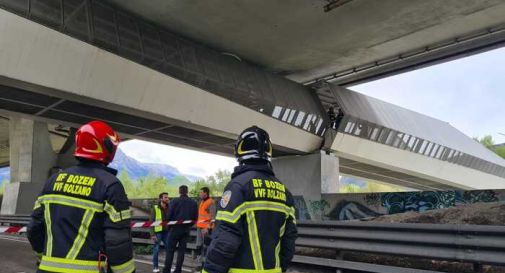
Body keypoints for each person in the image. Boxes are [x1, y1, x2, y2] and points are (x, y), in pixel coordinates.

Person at [27, 120, 135, 273]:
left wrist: (42, 257)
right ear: (106, 147)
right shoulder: (110, 185)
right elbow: (117, 242)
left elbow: (34, 228)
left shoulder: (53, 181)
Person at [203, 126, 297, 273]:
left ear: (239, 151)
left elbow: (225, 239)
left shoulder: (238, 187)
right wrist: (279, 268)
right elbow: (289, 242)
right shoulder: (285, 192)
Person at [163, 185, 198, 273]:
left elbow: (168, 215)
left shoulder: (174, 201)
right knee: (181, 252)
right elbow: (195, 218)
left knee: (170, 251)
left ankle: (167, 270)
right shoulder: (193, 203)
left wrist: (169, 226)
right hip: (186, 230)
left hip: (174, 229)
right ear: (187, 191)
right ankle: (178, 270)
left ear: (179, 192)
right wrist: (189, 226)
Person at [194, 187, 216, 271]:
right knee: (199, 246)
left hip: (206, 228)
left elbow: (213, 217)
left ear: (205, 193)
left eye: (201, 192)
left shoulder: (211, 202)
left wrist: (207, 227)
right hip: (199, 227)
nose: (199, 194)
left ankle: (207, 264)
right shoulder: (202, 202)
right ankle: (199, 264)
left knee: (206, 246)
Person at [151, 192, 170, 273]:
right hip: (158, 232)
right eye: (165, 197)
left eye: (167, 197)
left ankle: (168, 266)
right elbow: (151, 221)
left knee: (169, 249)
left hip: (167, 232)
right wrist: (152, 234)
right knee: (156, 250)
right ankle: (155, 267)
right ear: (161, 199)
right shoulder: (155, 208)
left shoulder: (169, 207)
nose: (167, 199)